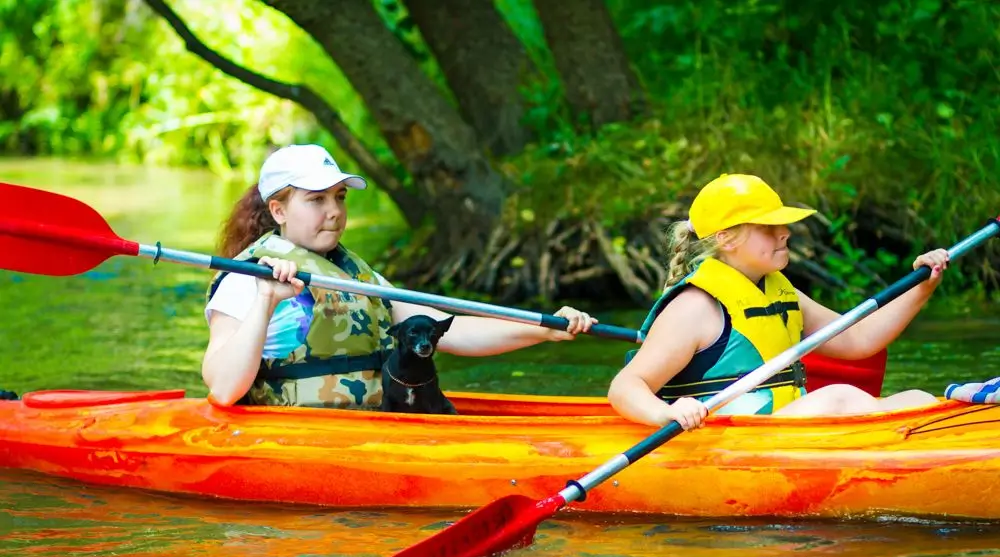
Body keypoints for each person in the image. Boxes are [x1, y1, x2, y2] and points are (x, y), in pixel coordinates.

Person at [203, 144, 595, 408]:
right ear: (279, 211)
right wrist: (266, 300)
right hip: (299, 434)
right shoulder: (246, 278)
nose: (334, 211)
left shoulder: (358, 276)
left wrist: (543, 329)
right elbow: (222, 389)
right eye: (316, 199)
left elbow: (451, 330)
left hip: (372, 428)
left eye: (339, 197)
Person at [608, 173, 948, 430]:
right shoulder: (695, 307)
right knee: (838, 397)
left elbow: (859, 339)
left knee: (917, 399)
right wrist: (666, 413)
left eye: (781, 224)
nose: (784, 232)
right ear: (726, 239)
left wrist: (922, 287)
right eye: (767, 227)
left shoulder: (783, 294)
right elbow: (626, 386)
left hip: (781, 431)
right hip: (728, 439)